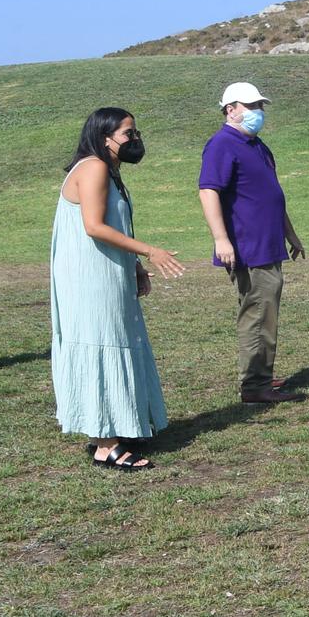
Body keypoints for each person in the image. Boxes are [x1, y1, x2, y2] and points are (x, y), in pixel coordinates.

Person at [51, 108, 184, 468]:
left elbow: (112, 225)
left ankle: (115, 426)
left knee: (117, 337)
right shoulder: (94, 167)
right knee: (101, 341)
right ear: (104, 136)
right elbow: (94, 226)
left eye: (135, 132)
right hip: (89, 279)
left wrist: (134, 265)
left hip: (106, 272)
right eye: (128, 134)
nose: (135, 140)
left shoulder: (106, 170)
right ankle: (105, 444)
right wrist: (150, 251)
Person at [198, 82, 306, 405]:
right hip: (248, 247)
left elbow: (273, 195)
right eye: (251, 105)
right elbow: (208, 191)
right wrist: (221, 239)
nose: (258, 112)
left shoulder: (258, 146)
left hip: (269, 243)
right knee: (258, 312)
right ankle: (255, 385)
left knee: (265, 311)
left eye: (260, 106)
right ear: (230, 110)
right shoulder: (221, 145)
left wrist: (290, 233)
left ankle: (261, 374)